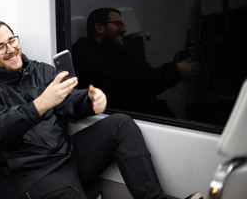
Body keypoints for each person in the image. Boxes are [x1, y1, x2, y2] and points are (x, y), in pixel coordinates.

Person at [0, 20, 203, 199]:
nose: (11, 49)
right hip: (27, 178)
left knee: (121, 124)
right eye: (0, 46)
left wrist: (90, 101)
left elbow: (68, 101)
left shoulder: (39, 70)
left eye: (12, 40)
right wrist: (39, 105)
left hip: (65, 157)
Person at [72, 8, 201, 117]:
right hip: (125, 119)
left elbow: (147, 75)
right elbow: (126, 86)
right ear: (99, 27)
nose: (124, 29)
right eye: (118, 24)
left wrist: (175, 66)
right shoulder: (85, 55)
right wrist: (173, 72)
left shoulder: (118, 50)